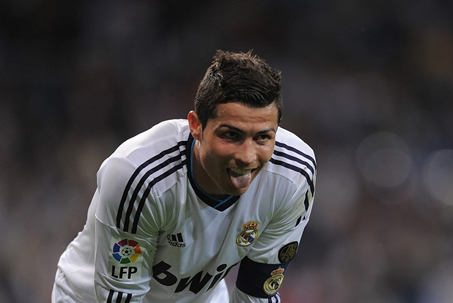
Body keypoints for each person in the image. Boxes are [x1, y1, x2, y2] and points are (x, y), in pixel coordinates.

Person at [52, 50, 317, 302]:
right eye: (231, 135)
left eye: (262, 137)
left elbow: (257, 295)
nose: (247, 156)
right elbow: (121, 295)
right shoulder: (140, 178)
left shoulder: (292, 176)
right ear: (196, 126)